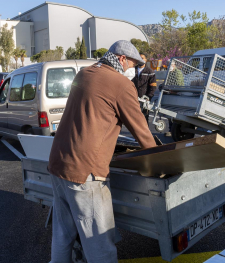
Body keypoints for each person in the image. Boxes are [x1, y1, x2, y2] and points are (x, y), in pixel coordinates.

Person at [48, 40, 157, 263]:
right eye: (132, 65)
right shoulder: (120, 84)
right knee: (98, 242)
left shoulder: (84, 73)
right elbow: (141, 130)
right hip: (85, 172)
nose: (132, 71)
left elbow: (90, 114)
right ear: (121, 59)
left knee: (63, 234)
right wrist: (160, 159)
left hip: (58, 163)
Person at [132, 53, 157, 123]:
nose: (141, 60)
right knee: (134, 119)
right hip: (134, 98)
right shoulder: (132, 70)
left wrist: (148, 97)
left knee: (144, 118)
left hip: (144, 99)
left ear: (146, 60)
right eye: (139, 58)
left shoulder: (150, 72)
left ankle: (145, 133)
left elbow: (153, 86)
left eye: (142, 58)